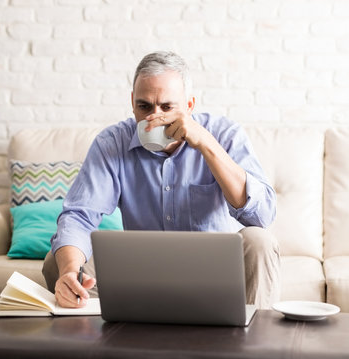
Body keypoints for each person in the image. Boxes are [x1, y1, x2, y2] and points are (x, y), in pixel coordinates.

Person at [42, 51, 280, 310]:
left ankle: (253, 345)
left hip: (215, 273)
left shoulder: (224, 135)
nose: (154, 117)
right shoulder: (112, 143)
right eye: (144, 107)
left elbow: (262, 216)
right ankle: (103, 344)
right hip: (142, 273)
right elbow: (79, 216)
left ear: (189, 105)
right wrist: (69, 271)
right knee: (59, 262)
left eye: (167, 107)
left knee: (260, 241)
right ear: (132, 103)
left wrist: (207, 145)